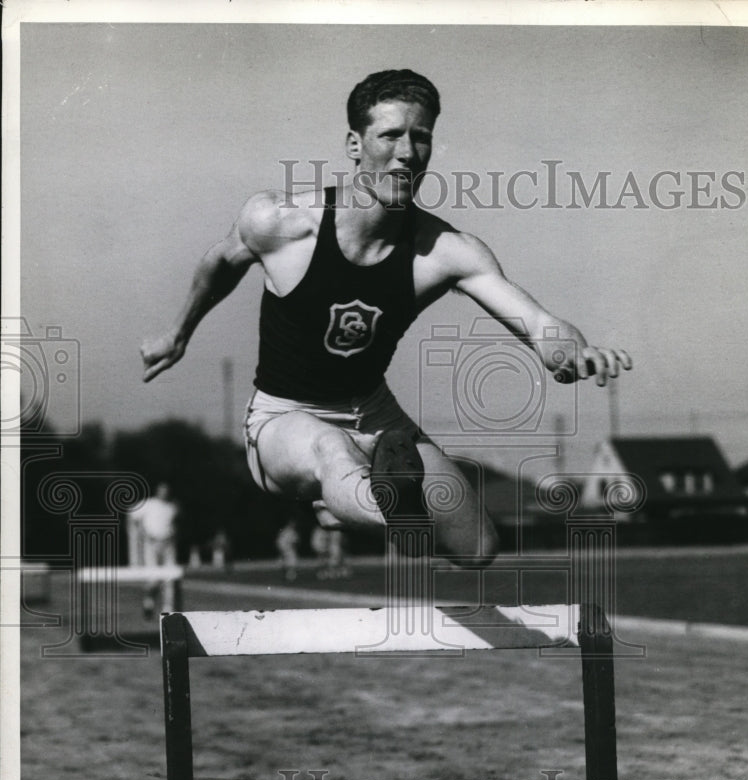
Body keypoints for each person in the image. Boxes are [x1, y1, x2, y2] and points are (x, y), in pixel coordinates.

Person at [141, 70, 631, 566]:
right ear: (355, 144)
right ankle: (374, 503)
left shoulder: (446, 252)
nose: (407, 153)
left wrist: (575, 355)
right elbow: (222, 262)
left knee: (478, 548)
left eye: (421, 137)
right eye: (390, 135)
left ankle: (350, 502)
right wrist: (179, 333)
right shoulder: (283, 225)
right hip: (285, 418)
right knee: (331, 448)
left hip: (377, 418)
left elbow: (539, 324)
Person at [131, 482, 179, 617]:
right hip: (151, 545)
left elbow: (174, 525)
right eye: (162, 490)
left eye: (167, 490)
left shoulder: (172, 507)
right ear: (158, 491)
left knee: (170, 577)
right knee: (154, 578)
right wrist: (142, 535)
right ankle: (149, 603)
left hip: (168, 545)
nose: (165, 493)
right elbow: (133, 517)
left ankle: (168, 609)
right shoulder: (148, 504)